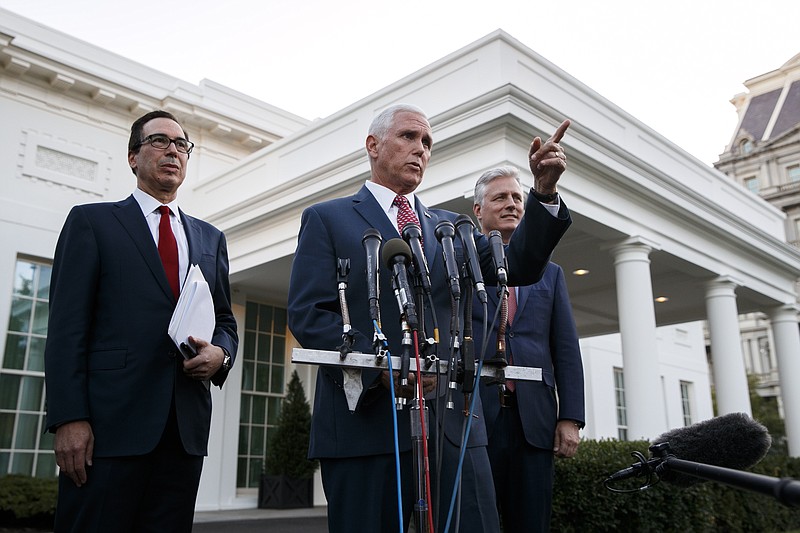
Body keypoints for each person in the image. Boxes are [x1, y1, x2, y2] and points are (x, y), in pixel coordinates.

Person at [287, 103, 572, 533]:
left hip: (453, 429)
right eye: (408, 137)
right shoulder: (328, 219)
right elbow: (310, 314)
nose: (420, 149)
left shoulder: (450, 228)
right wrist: (381, 366)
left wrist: (544, 195)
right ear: (373, 145)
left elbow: (516, 267)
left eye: (427, 142)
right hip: (366, 428)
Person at [44, 110, 238, 533]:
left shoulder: (210, 238)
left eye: (182, 144)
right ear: (133, 157)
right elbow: (65, 329)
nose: (173, 150)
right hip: (107, 431)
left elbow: (224, 319)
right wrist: (68, 418)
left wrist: (221, 354)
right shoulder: (92, 222)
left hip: (183, 433)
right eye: (159, 141)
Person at [472, 166, 585, 533]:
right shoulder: (461, 265)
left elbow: (565, 348)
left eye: (517, 197)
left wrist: (570, 417)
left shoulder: (551, 274)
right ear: (478, 210)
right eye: (500, 197)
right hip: (475, 419)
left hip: (534, 423)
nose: (511, 204)